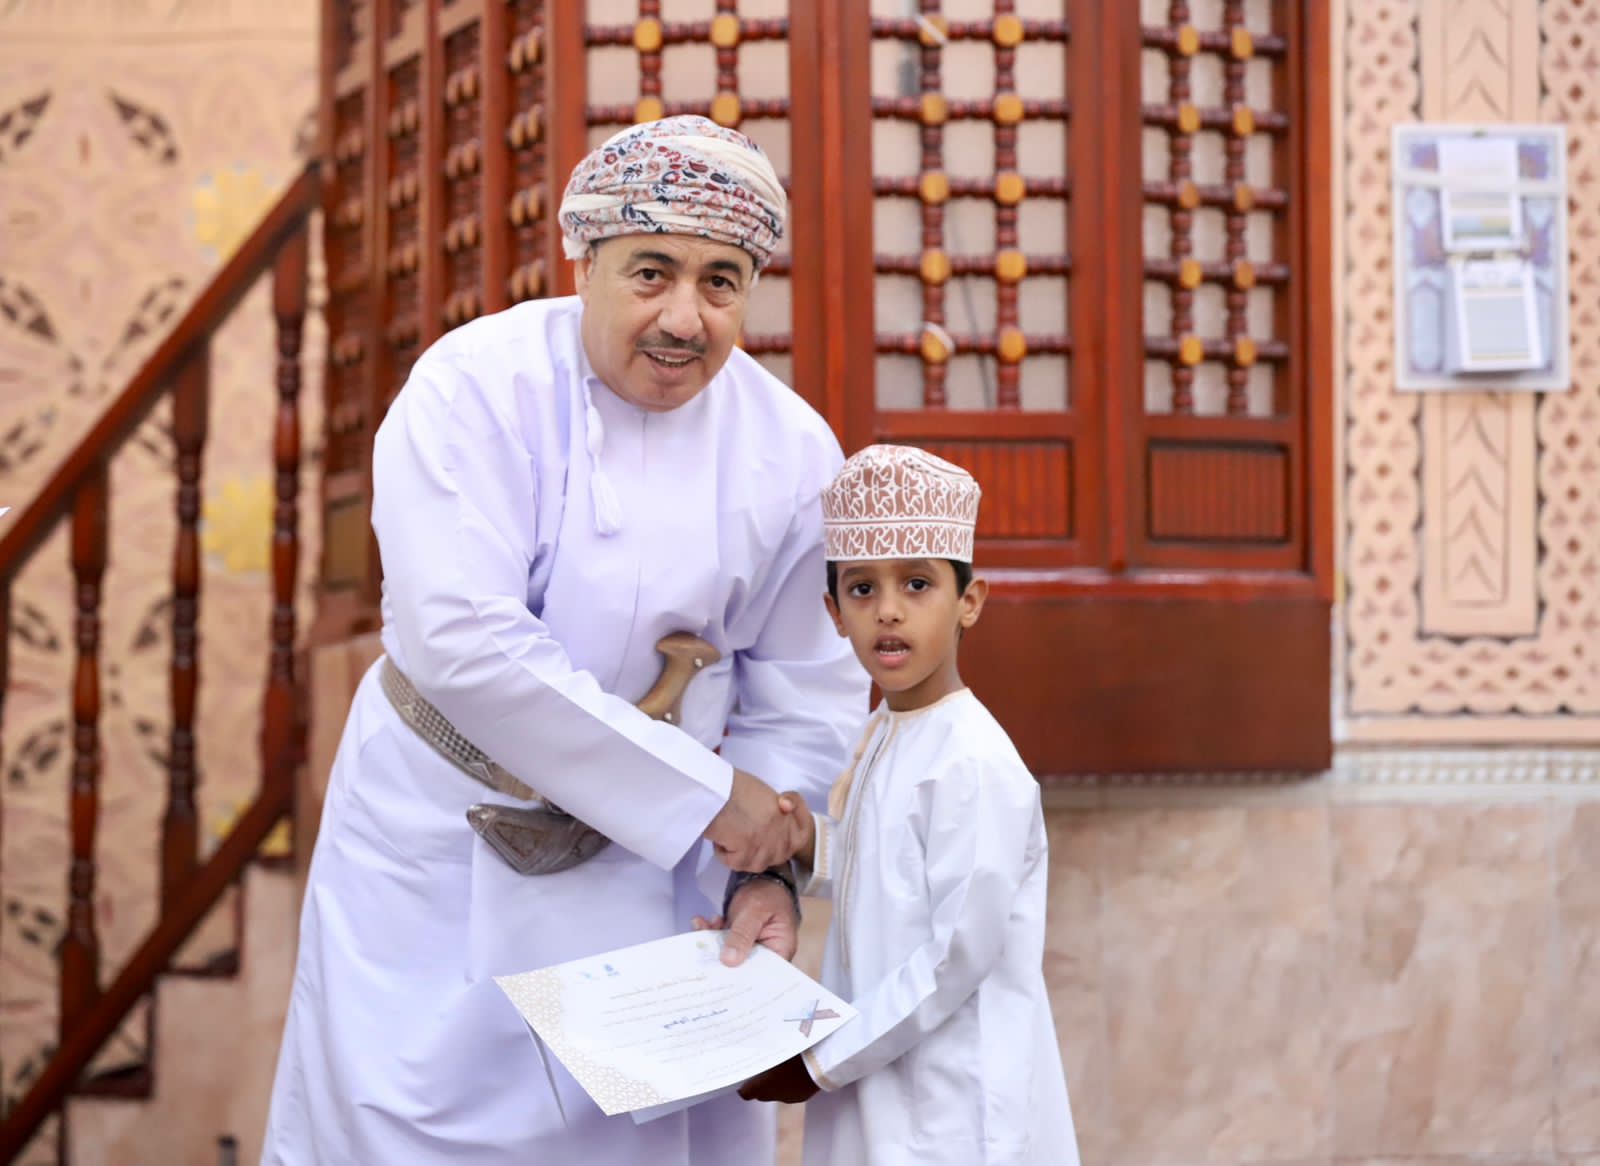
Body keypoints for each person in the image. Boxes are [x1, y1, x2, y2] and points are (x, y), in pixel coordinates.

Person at [261, 116, 867, 1165]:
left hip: (660, 898)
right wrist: (702, 799)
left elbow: (805, 690)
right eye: (651, 272)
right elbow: (461, 640)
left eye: (721, 283)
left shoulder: (791, 446)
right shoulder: (471, 388)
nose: (683, 317)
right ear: (582, 261)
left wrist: (761, 872)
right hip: (443, 846)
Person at [737, 444, 1080, 1165]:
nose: (888, 611)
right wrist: (809, 844)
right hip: (881, 1072)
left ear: (969, 602)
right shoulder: (887, 730)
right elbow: (896, 871)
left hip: (954, 1101)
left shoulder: (972, 760)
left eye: (917, 583)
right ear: (835, 613)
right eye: (862, 589)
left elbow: (957, 952)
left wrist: (819, 1063)